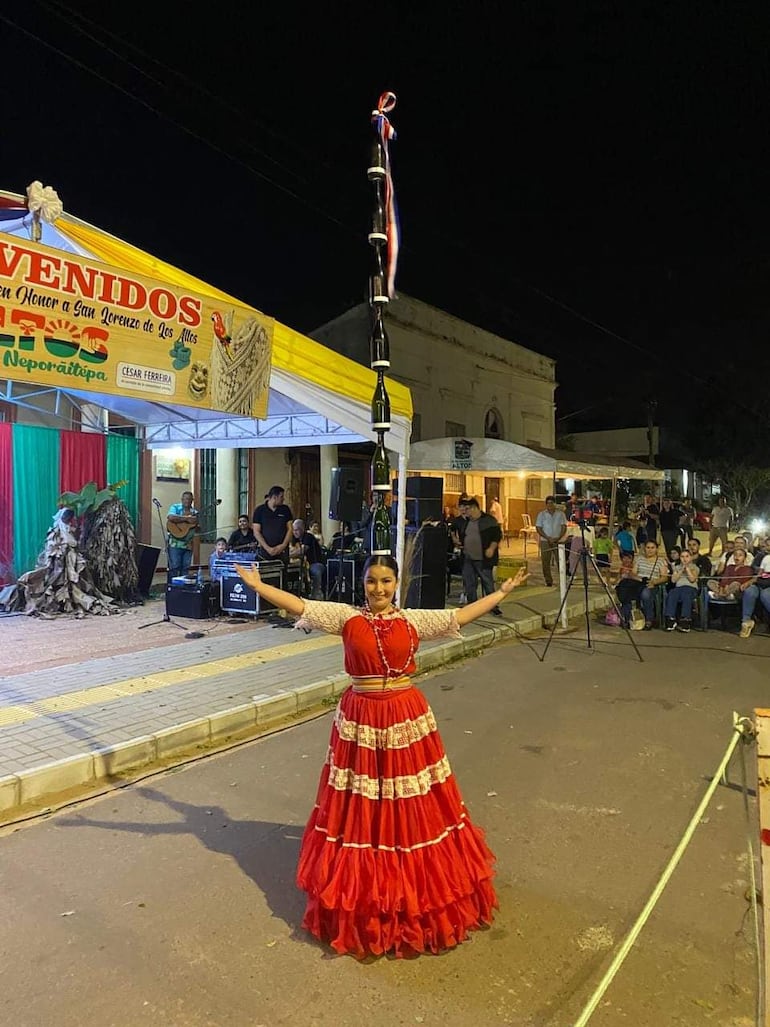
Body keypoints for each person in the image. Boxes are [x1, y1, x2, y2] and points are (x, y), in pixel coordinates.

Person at [233, 554, 529, 958]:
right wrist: (258, 587)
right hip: (361, 718)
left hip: (405, 715)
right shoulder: (345, 617)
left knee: (411, 804)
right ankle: (369, 877)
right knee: (363, 801)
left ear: (396, 583)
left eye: (386, 581)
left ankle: (409, 890)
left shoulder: (412, 620)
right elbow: (300, 605)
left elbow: (458, 618)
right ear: (364, 583)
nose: (378, 589)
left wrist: (501, 592)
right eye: (372, 581)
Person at [461, 498, 504, 615]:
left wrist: (491, 548)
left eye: (467, 509)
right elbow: (461, 533)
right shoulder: (466, 521)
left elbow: (497, 536)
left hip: (483, 559)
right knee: (469, 583)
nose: (465, 511)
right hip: (469, 558)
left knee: (488, 583)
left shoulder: (489, 521)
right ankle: (472, 606)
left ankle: (493, 606)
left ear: (474, 508)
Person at [615, 539, 669, 630]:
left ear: (656, 549)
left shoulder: (660, 561)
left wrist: (654, 582)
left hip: (652, 583)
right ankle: (626, 618)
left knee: (645, 594)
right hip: (638, 582)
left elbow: (664, 577)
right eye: (648, 547)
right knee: (625, 591)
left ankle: (649, 619)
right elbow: (633, 573)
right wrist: (640, 579)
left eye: (652, 548)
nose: (650, 550)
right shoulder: (639, 559)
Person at [252, 486, 293, 565]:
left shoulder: (285, 509)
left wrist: (283, 545)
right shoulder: (259, 510)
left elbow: (290, 529)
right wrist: (268, 548)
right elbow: (256, 531)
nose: (283, 499)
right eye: (281, 497)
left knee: (283, 573)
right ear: (274, 497)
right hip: (265, 550)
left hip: (282, 550)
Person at [663, 548, 700, 632]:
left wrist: (687, 569)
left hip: (690, 588)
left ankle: (685, 619)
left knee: (686, 594)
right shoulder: (676, 567)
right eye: (682, 556)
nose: (684, 558)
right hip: (678, 588)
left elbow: (692, 579)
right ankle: (670, 618)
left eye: (687, 556)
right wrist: (680, 570)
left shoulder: (695, 568)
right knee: (672, 593)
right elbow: (673, 580)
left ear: (690, 558)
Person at [535, 496, 567, 587]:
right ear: (546, 504)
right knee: (545, 562)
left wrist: (558, 537)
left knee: (560, 561)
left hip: (558, 540)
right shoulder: (542, 514)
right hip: (545, 540)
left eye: (552, 503)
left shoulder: (560, 514)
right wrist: (547, 537)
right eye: (548, 503)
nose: (550, 505)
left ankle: (562, 580)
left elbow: (564, 527)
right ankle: (548, 581)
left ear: (554, 504)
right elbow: (538, 528)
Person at [289, 518, 325, 599]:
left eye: (296, 530)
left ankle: (315, 596)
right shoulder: (295, 539)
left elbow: (301, 551)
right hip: (304, 565)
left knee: (315, 571)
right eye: (293, 530)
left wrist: (288, 556)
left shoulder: (308, 536)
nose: (294, 532)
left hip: (315, 563)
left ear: (302, 529)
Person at [167, 490, 198, 577]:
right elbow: (170, 517)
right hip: (175, 544)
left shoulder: (195, 512)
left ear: (192, 500)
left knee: (185, 568)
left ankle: (183, 589)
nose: (187, 501)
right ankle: (172, 588)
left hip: (188, 545)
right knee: (174, 566)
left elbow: (197, 528)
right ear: (182, 499)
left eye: (189, 499)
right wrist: (186, 519)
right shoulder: (175, 507)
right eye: (185, 499)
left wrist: (197, 525)